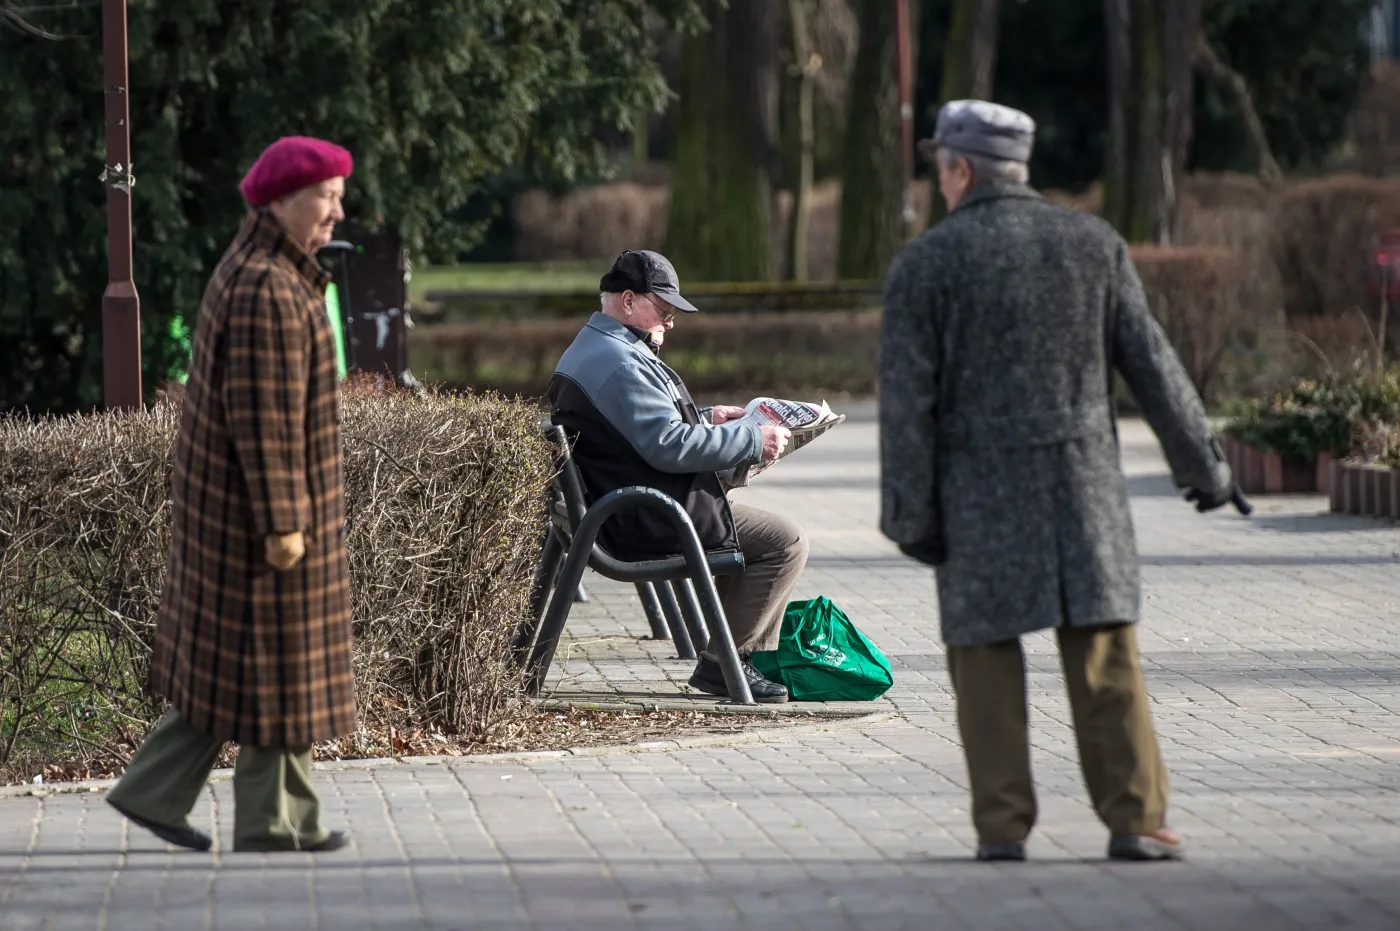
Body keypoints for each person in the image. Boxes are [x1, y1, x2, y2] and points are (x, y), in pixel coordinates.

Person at [879, 101, 1239, 863]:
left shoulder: (927, 264)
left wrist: (910, 513)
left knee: (983, 656)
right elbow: (1154, 364)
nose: (937, 179)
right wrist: (1205, 468)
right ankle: (1136, 818)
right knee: (1105, 651)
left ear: (961, 170)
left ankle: (1002, 826)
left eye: (939, 165)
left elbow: (908, 403)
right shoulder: (1092, 244)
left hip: (978, 493)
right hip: (1082, 487)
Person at [106, 136, 357, 853]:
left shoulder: (267, 272)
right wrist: (285, 521)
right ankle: (261, 817)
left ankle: (266, 816)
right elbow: (263, 418)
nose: (337, 212)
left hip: (251, 519)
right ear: (282, 200)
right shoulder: (267, 288)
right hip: (263, 526)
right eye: (326, 197)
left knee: (268, 671)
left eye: (339, 196)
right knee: (266, 671)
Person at [548, 249, 809, 703]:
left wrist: (710, 418)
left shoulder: (601, 347)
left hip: (628, 506)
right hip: (644, 518)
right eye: (663, 311)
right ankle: (725, 664)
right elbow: (669, 446)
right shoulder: (621, 362)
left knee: (751, 537)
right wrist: (751, 441)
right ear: (628, 301)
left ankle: (727, 660)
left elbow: (639, 431)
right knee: (784, 541)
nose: (670, 323)